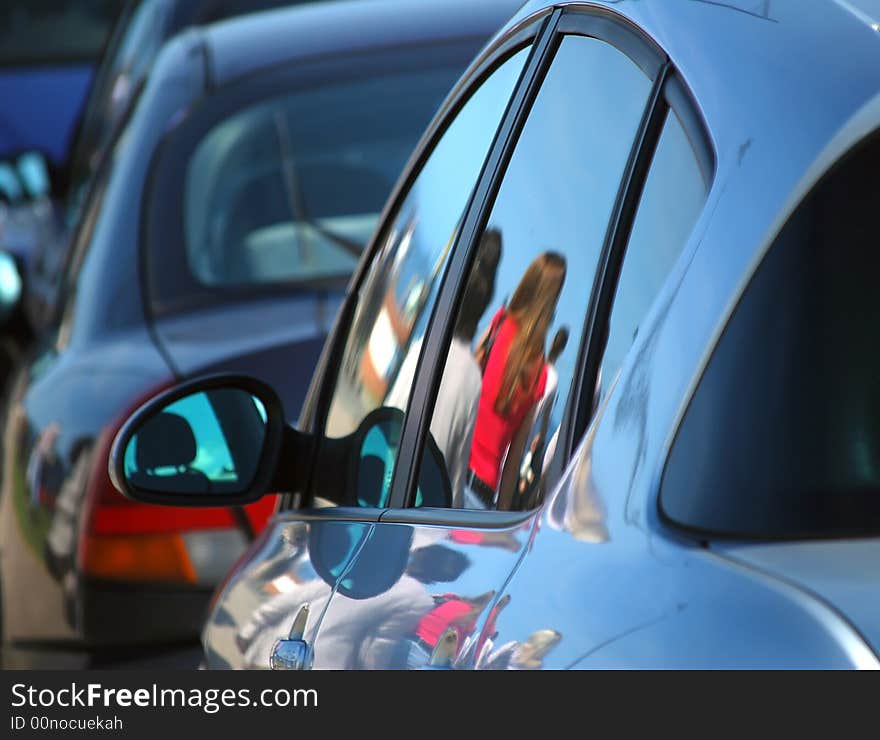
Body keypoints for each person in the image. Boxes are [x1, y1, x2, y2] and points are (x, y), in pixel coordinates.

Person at [386, 229, 502, 506]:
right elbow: (456, 476)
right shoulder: (473, 378)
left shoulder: (423, 348)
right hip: (430, 522)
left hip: (390, 506)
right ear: (484, 305)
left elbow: (385, 430)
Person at [467, 252, 567, 510]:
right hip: (484, 493)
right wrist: (499, 517)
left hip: (456, 465)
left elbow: (466, 384)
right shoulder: (541, 377)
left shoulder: (499, 323)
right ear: (552, 303)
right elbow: (514, 458)